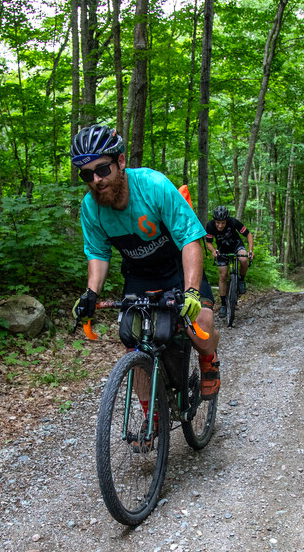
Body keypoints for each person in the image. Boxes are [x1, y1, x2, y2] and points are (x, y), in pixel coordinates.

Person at [69, 124, 220, 399]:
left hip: (176, 267)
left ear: (121, 161)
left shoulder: (153, 185)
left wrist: (192, 291)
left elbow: (190, 240)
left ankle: (208, 360)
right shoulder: (90, 208)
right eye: (86, 174)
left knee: (201, 326)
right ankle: (152, 421)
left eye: (102, 169)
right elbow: (98, 254)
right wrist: (91, 294)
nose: (96, 180)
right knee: (134, 344)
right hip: (139, 274)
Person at [203, 206, 254, 317]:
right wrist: (213, 251)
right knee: (223, 275)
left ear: (227, 221)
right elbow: (209, 243)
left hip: (236, 245)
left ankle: (241, 279)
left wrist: (250, 251)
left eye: (223, 223)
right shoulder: (210, 226)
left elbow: (249, 235)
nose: (220, 226)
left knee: (243, 259)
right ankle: (223, 305)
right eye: (217, 223)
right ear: (214, 221)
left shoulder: (233, 222)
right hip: (222, 249)